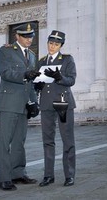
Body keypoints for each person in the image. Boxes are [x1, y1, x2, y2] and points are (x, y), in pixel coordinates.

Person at [0, 22, 40, 191]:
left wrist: (33, 101)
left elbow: (32, 81)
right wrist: (24, 74)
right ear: (17, 36)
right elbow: (5, 73)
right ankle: (5, 178)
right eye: (25, 37)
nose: (29, 40)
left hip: (23, 104)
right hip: (8, 103)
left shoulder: (32, 56)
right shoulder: (5, 51)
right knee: (5, 142)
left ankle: (18, 173)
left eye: (31, 37)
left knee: (20, 141)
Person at [34, 30, 77, 187]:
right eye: (51, 43)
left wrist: (60, 78)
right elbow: (38, 82)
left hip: (62, 102)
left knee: (67, 139)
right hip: (46, 104)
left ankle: (69, 175)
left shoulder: (67, 60)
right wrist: (36, 85)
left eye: (56, 44)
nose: (52, 46)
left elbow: (71, 79)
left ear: (61, 45)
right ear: (47, 43)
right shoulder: (41, 62)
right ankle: (48, 175)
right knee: (48, 140)